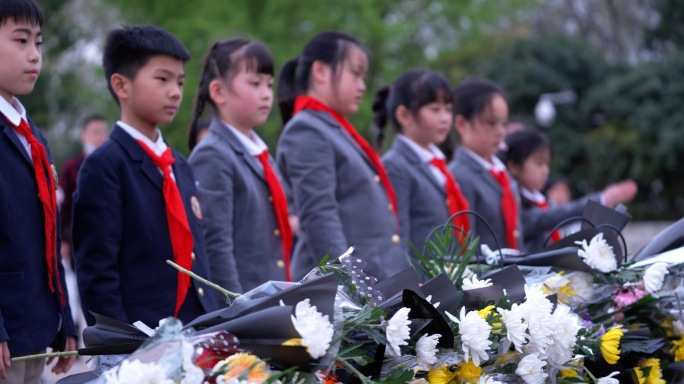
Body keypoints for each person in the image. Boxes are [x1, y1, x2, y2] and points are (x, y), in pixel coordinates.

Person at [73, 24, 218, 328]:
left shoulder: (179, 164)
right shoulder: (106, 165)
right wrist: (122, 345)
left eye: (180, 81)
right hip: (144, 341)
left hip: (199, 329)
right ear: (122, 86)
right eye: (162, 79)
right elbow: (98, 272)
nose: (175, 92)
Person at [276, 30, 406, 280]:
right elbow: (320, 220)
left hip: (374, 286)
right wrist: (354, 290)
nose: (362, 85)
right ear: (321, 72)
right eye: (355, 74)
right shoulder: (307, 129)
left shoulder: (332, 129)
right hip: (345, 297)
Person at [0, 1, 76, 381]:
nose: (34, 55)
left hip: (36, 328)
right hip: (5, 333)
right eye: (20, 40)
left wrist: (64, 318)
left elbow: (47, 235)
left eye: (39, 42)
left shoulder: (32, 136)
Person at [188, 38, 292, 295]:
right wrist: (238, 313)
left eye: (269, 83)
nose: (267, 93)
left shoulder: (260, 153)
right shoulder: (213, 154)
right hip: (247, 309)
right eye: (255, 83)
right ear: (218, 92)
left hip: (273, 300)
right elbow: (216, 247)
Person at [376, 68, 470, 255]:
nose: (444, 118)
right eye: (435, 109)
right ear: (404, 115)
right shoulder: (395, 165)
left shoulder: (438, 164)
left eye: (448, 109)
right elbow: (398, 236)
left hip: (451, 276)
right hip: (422, 281)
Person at [502, 129, 637, 251]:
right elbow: (551, 217)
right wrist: (602, 199)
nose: (545, 170)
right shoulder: (512, 204)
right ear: (514, 166)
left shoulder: (543, 201)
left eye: (547, 164)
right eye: (539, 163)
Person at [448, 78, 523, 251]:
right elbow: (464, 247)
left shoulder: (502, 173)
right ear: (462, 124)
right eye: (491, 123)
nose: (500, 131)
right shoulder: (459, 176)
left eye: (504, 123)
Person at [59, 114, 109, 260]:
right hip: (79, 239)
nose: (101, 137)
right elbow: (63, 204)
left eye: (104, 132)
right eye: (95, 132)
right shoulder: (73, 166)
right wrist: (62, 240)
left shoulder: (114, 165)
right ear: (83, 136)